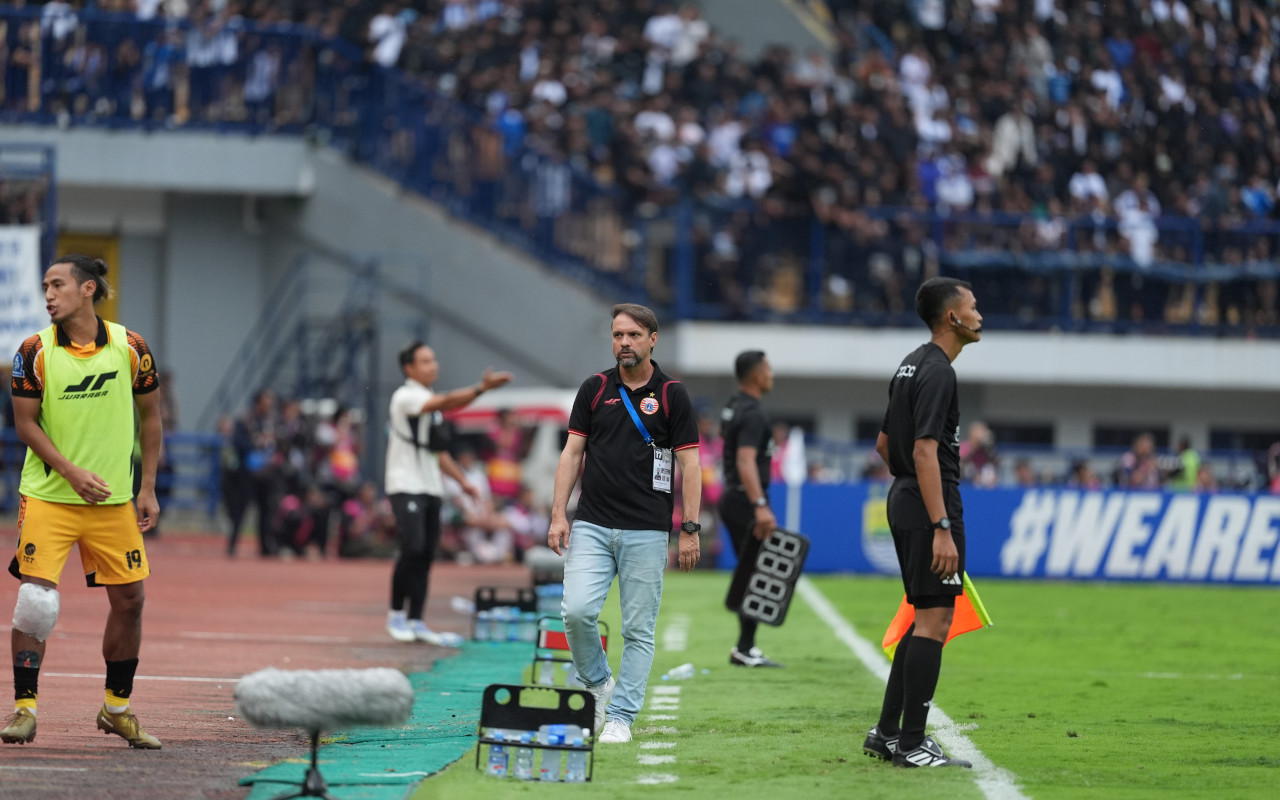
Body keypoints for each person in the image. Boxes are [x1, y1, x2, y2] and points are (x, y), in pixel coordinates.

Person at [2, 254, 163, 749]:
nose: (48, 294)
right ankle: (24, 710)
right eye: (45, 286)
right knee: (35, 601)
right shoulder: (32, 351)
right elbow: (25, 425)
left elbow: (151, 419)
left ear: (88, 289)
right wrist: (70, 472)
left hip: (113, 501)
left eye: (58, 285)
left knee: (131, 600)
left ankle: (116, 709)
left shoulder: (131, 346)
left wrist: (147, 486)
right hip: (50, 496)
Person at [547, 303, 702, 745]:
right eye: (617, 335)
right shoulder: (594, 388)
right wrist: (559, 514)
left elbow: (691, 466)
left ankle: (621, 717)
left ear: (653, 339)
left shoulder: (673, 394)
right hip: (593, 524)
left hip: (648, 530)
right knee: (575, 613)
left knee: (638, 629)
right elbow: (572, 454)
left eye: (633, 335)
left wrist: (689, 529)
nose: (624, 343)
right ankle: (597, 684)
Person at [863, 276, 983, 769]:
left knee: (921, 616)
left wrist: (914, 491)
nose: (979, 314)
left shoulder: (910, 364)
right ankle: (913, 743)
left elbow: (883, 445)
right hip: (930, 505)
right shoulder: (939, 372)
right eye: (972, 307)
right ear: (951, 317)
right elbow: (923, 449)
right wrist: (940, 524)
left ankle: (888, 733)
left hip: (904, 496)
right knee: (935, 620)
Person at [384, 341, 512, 645]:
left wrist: (464, 481)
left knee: (426, 554)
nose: (434, 365)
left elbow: (438, 452)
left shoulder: (430, 402)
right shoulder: (406, 397)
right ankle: (395, 614)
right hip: (405, 484)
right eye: (426, 361)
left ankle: (416, 620)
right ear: (409, 368)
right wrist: (481, 389)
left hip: (430, 486)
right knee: (412, 548)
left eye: (433, 359)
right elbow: (445, 402)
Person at [718, 350, 784, 668]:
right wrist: (760, 505)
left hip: (734, 496)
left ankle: (746, 646)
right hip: (746, 498)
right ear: (756, 376)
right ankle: (745, 648)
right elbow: (746, 461)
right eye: (768, 370)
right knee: (756, 572)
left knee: (752, 570)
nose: (772, 375)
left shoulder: (733, 407)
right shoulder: (754, 413)